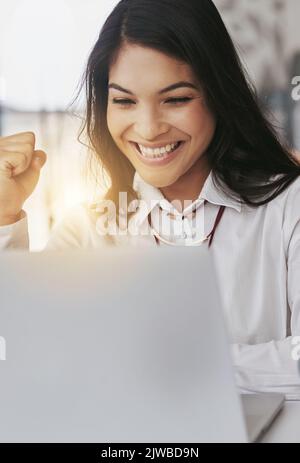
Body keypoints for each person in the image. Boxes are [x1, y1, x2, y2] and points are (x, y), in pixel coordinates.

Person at [0, 0, 300, 398]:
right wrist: (5, 216)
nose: (148, 128)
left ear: (218, 95)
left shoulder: (287, 207)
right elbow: (31, 356)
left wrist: (180, 367)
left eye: (176, 99)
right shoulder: (88, 227)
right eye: (124, 101)